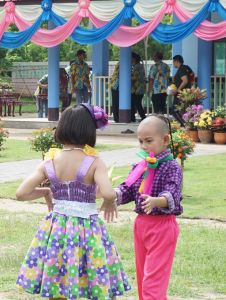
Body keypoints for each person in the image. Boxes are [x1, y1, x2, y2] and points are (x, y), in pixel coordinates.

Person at [15, 104, 131, 299]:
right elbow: (109, 193)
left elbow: (21, 193)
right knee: (95, 270)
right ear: (89, 130)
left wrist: (46, 191)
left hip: (57, 228)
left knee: (57, 273)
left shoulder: (49, 161)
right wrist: (109, 201)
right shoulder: (94, 162)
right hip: (87, 228)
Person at [115, 115, 182, 300]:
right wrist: (113, 195)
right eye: (140, 141)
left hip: (162, 226)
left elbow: (173, 194)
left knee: (153, 283)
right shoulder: (140, 166)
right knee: (143, 279)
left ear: (165, 139)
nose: (144, 146)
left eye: (149, 141)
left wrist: (156, 201)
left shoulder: (172, 167)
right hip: (141, 225)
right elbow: (128, 188)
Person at [171, 55, 195, 126]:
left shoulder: (181, 69)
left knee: (174, 110)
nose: (173, 63)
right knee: (183, 110)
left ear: (177, 61)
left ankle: (184, 124)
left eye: (173, 62)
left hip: (181, 93)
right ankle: (186, 124)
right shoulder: (186, 67)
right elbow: (192, 76)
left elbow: (185, 80)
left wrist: (178, 89)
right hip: (186, 92)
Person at [131, 52, 147, 122]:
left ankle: (143, 117)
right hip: (139, 88)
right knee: (136, 103)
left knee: (136, 103)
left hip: (137, 89)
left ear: (133, 59)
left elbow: (134, 77)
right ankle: (140, 117)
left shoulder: (137, 67)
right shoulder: (139, 66)